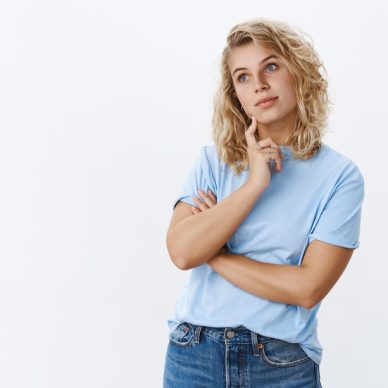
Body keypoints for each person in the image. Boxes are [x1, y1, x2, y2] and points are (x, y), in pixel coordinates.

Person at [163, 17, 364, 388]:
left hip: (281, 364)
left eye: (270, 66)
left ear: (298, 71)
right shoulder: (212, 162)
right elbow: (182, 253)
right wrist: (255, 184)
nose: (259, 85)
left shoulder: (340, 176)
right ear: (234, 93)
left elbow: (308, 289)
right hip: (194, 355)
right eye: (243, 76)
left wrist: (217, 254)